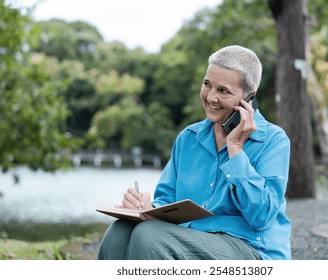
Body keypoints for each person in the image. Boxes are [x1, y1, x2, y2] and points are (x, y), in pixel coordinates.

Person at [97, 45, 291, 260]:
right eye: (207, 85)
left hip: (250, 249)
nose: (210, 97)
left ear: (249, 97)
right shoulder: (188, 138)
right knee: (118, 232)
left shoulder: (273, 141)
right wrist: (147, 208)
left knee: (149, 235)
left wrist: (235, 149)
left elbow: (262, 216)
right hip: (190, 238)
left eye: (223, 91)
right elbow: (166, 200)